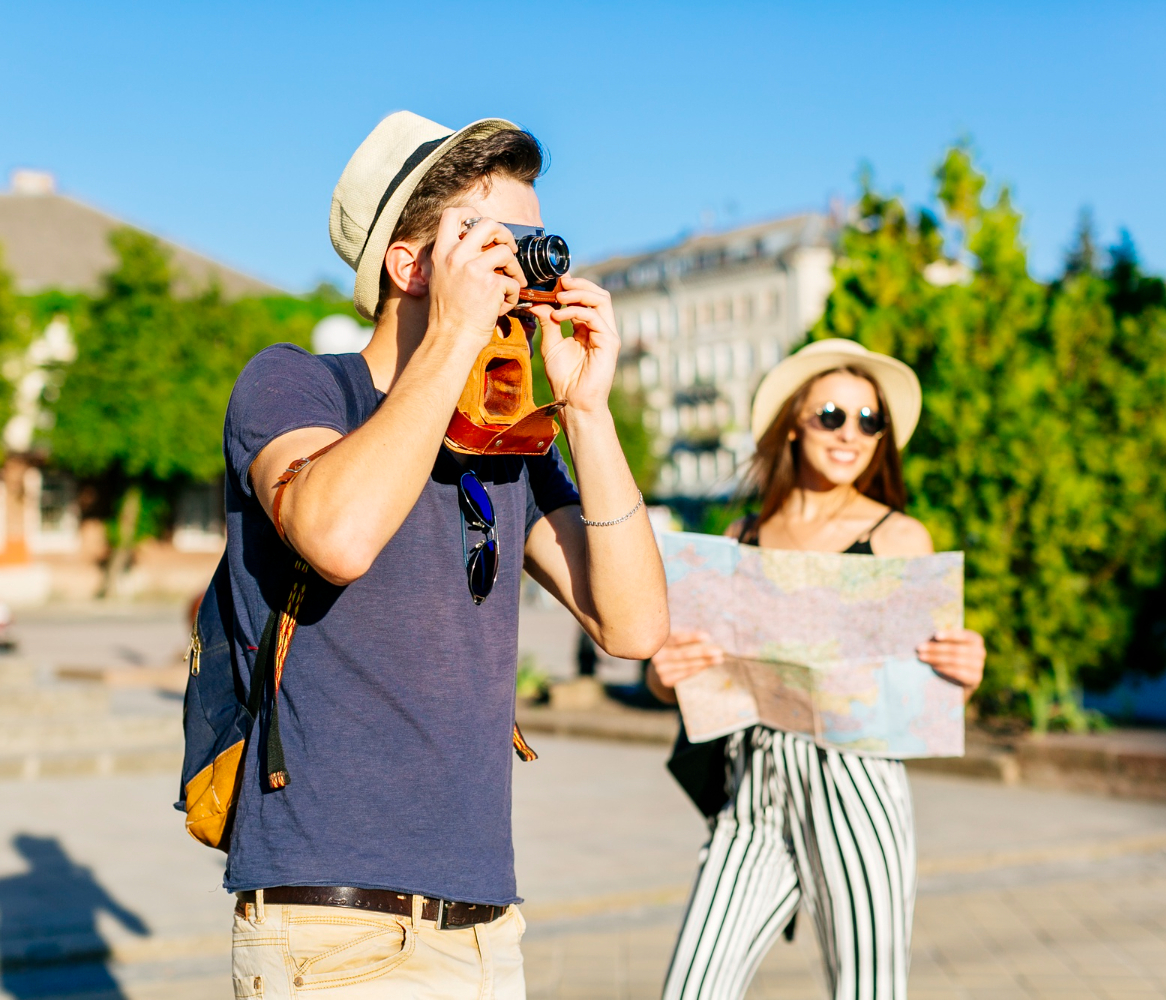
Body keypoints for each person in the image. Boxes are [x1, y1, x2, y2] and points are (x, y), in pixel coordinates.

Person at [222, 112, 669, 998]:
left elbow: (636, 623)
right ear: (409, 263)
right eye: (490, 239)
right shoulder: (301, 385)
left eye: (530, 243)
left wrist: (586, 412)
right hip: (337, 927)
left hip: (482, 927)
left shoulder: (506, 441)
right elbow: (338, 537)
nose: (518, 265)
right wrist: (458, 336)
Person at [646, 339, 987, 1000]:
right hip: (753, 793)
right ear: (794, 426)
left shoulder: (897, 536)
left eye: (869, 420)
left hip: (855, 785)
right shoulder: (742, 536)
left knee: (869, 991)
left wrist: (964, 671)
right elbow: (685, 676)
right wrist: (667, 674)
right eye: (831, 414)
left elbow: (929, 690)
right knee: (692, 989)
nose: (850, 433)